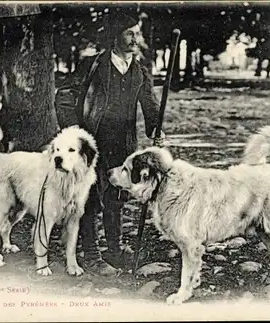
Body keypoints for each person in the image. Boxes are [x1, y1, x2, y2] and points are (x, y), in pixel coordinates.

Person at [57, 11, 164, 275]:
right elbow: (65, 96)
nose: (135, 38)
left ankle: (114, 250)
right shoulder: (93, 66)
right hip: (93, 143)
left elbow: (149, 104)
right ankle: (91, 255)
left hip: (124, 143)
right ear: (115, 37)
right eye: (130, 33)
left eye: (137, 33)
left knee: (116, 196)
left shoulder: (139, 70)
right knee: (91, 198)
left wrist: (155, 128)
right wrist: (73, 133)